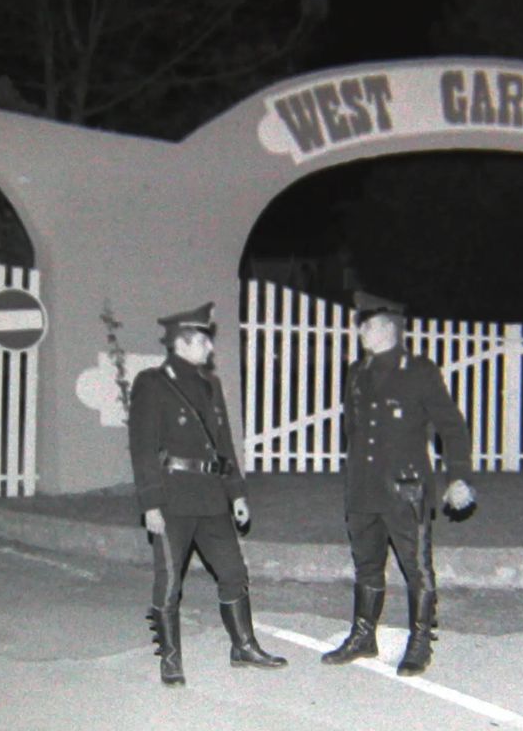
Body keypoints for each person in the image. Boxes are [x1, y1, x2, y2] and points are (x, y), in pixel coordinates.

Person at [128, 301, 287, 687]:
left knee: (234, 571)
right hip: (172, 499)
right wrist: (150, 503)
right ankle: (170, 658)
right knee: (169, 580)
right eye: (203, 342)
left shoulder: (209, 385)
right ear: (183, 343)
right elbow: (143, 447)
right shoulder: (152, 383)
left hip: (212, 498)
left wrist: (237, 494)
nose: (210, 349)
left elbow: (224, 444)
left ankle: (243, 646)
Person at [321, 293, 476, 676]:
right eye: (361, 325)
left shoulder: (419, 371)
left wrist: (458, 476)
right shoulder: (357, 371)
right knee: (366, 565)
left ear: (389, 327)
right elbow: (353, 428)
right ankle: (363, 636)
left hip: (405, 489)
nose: (360, 331)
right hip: (363, 488)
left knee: (416, 567)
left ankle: (420, 641)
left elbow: (451, 427)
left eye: (368, 325)